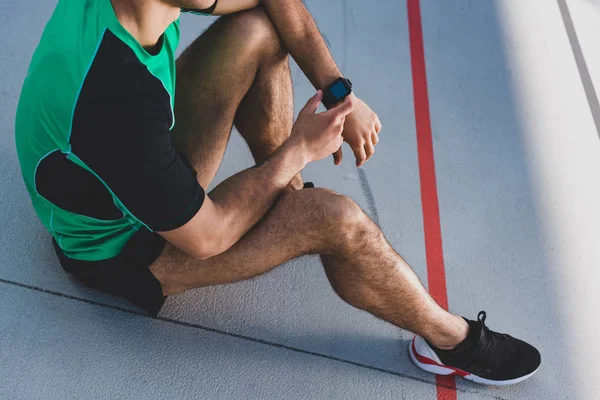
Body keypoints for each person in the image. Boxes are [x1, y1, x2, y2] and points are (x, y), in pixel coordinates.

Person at [15, 0, 540, 386]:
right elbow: (209, 236)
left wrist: (339, 93)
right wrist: (298, 149)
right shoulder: (119, 101)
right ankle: (450, 342)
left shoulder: (137, 10)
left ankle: (283, 197)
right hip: (121, 247)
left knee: (257, 27)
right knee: (337, 221)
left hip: (132, 169)